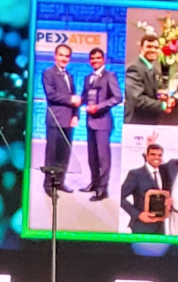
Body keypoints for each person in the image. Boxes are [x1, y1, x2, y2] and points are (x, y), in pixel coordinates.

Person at [81, 48, 122, 201]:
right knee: (92, 157)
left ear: (103, 59)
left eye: (98, 58)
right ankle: (94, 183)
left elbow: (117, 97)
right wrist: (78, 101)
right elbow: (85, 97)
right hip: (89, 122)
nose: (95, 61)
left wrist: (98, 107)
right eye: (92, 59)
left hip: (103, 122)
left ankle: (102, 189)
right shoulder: (88, 78)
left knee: (103, 158)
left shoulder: (110, 76)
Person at [41, 44, 79, 194]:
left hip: (69, 121)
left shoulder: (69, 76)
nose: (64, 58)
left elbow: (76, 98)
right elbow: (51, 95)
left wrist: (76, 115)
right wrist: (70, 99)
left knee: (65, 154)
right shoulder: (48, 73)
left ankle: (60, 182)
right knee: (52, 155)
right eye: (61, 55)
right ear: (55, 56)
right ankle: (49, 186)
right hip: (54, 121)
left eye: (67, 56)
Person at [120, 143, 172, 235]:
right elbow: (120, 197)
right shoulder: (136, 174)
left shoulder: (164, 174)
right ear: (146, 156)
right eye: (153, 154)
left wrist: (168, 202)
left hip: (160, 227)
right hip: (141, 226)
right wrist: (138, 215)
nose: (157, 157)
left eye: (159, 155)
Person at [125, 35, 172, 124]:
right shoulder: (134, 68)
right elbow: (137, 99)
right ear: (141, 48)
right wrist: (162, 105)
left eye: (156, 47)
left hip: (150, 121)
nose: (153, 50)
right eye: (149, 47)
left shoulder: (154, 70)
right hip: (137, 122)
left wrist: (163, 96)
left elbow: (154, 92)